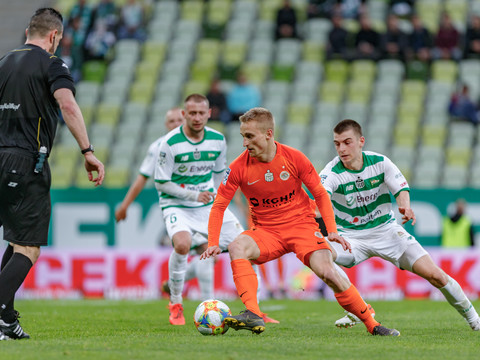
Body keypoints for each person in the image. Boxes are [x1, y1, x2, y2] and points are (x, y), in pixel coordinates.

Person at [201, 107, 400, 336]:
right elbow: (219, 205)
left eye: (249, 136)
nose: (244, 143)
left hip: (302, 227)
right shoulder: (238, 167)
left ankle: (372, 325)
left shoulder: (294, 158)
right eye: (242, 136)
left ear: (268, 134)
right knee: (237, 247)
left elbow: (321, 194)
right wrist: (213, 242)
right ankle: (253, 314)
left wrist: (332, 230)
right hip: (266, 232)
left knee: (328, 271)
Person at [0, 8, 105, 340]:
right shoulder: (52, 63)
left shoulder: (3, 62)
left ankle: (5, 319)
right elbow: (68, 105)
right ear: (54, 36)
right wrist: (87, 151)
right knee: (29, 245)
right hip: (25, 160)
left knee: (17, 239)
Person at [319, 119, 480, 331]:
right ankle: (360, 309)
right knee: (319, 255)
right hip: (350, 236)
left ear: (361, 142)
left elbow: (400, 188)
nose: (341, 148)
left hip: (386, 231)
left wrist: (405, 206)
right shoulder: (331, 172)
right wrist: (327, 227)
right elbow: (321, 197)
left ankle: (474, 319)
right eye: (337, 143)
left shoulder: (380, 162)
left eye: (347, 142)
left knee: (435, 275)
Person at [153, 94, 246, 326]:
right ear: (184, 114)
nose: (196, 118)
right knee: (182, 244)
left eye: (201, 113)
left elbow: (218, 174)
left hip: (206, 203)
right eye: (191, 113)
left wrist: (216, 197)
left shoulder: (218, 140)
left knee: (244, 246)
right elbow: (160, 182)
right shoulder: (170, 143)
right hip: (177, 204)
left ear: (209, 114)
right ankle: (176, 303)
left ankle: (251, 308)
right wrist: (194, 194)